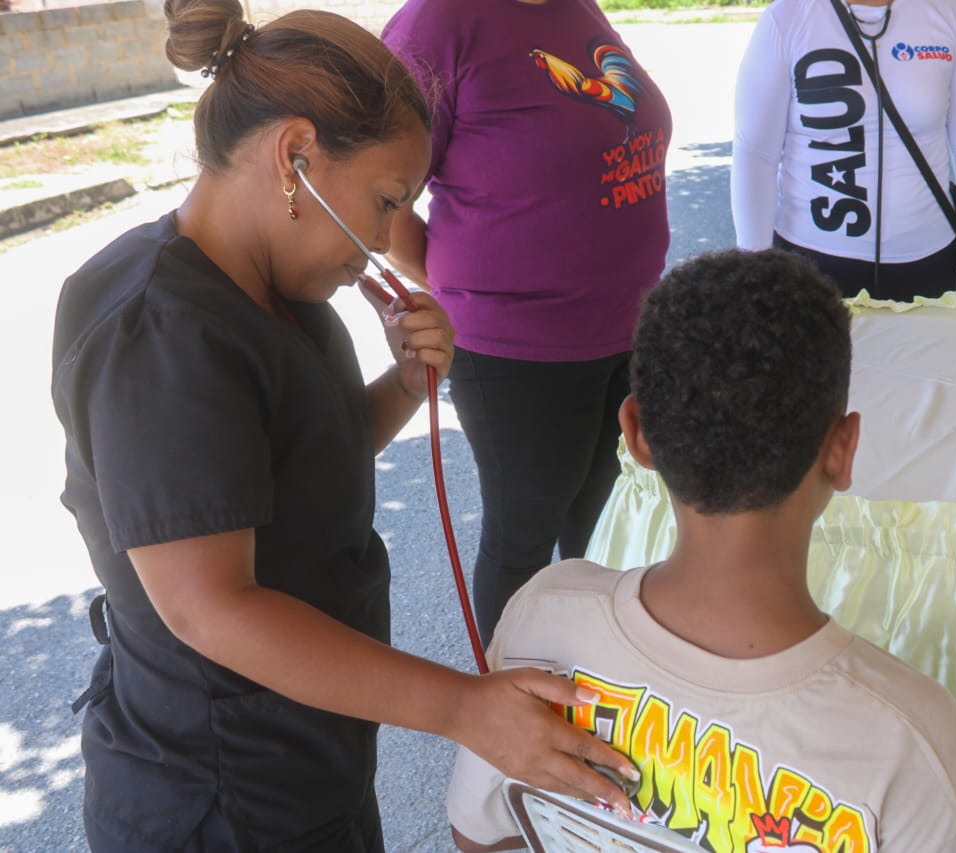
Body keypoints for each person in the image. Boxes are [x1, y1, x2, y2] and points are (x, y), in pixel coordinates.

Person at [50, 2, 638, 849]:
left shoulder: (277, 290)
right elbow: (211, 607)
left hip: (308, 752)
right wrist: (463, 707)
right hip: (218, 796)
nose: (381, 239)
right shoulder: (159, 333)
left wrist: (403, 384)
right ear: (295, 155)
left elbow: (298, 467)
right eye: (385, 201)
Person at [445, 249, 956, 853]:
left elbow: (478, 835)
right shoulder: (910, 735)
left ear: (637, 436)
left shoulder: (544, 612)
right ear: (842, 450)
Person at [380, 0, 672, 646]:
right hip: (519, 351)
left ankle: (590, 679)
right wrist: (474, 286)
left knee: (604, 533)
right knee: (524, 539)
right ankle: (513, 699)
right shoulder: (439, 25)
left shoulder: (574, 7)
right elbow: (379, 194)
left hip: (627, 331)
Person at [731, 0, 956, 302]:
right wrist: (753, 269)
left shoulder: (948, 12)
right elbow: (756, 155)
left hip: (927, 261)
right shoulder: (786, 17)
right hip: (810, 264)